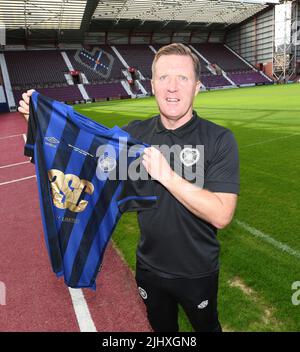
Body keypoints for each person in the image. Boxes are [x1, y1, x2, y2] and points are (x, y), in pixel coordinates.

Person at [18, 43, 239, 332]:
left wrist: (167, 176)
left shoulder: (219, 139)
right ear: (152, 85)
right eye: (163, 78)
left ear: (197, 87)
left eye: (182, 78)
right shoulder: (134, 136)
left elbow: (221, 215)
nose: (172, 87)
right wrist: (42, 126)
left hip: (197, 271)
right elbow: (84, 161)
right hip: (149, 269)